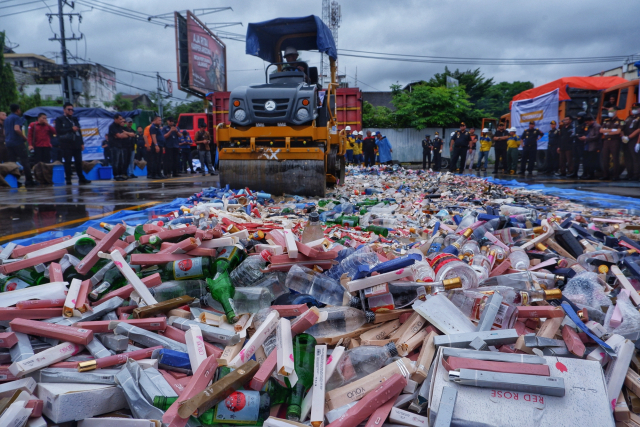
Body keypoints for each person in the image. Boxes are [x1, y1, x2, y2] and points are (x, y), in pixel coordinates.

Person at [55, 102, 90, 185]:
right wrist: (71, 129)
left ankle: (81, 178)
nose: (71, 111)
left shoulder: (74, 119)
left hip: (76, 143)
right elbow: (59, 131)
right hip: (66, 144)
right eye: (69, 109)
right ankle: (68, 179)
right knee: (67, 162)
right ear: (64, 110)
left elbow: (79, 131)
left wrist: (81, 143)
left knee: (78, 162)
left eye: (72, 109)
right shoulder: (60, 119)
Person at [4, 104, 36, 186]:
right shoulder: (16, 117)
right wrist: (24, 137)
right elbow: (17, 129)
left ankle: (14, 181)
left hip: (8, 143)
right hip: (17, 142)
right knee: (25, 161)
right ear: (17, 110)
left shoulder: (6, 119)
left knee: (12, 163)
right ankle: (29, 180)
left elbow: (4, 132)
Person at [600, 107, 624, 181]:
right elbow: (601, 130)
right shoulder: (606, 121)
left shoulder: (620, 121)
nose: (610, 112)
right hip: (606, 141)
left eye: (611, 111)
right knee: (605, 158)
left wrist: (607, 131)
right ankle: (605, 175)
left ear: (615, 111)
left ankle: (616, 175)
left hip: (615, 141)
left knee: (615, 158)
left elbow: (618, 131)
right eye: (609, 111)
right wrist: (611, 130)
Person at [108, 114, 134, 181]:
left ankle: (120, 174)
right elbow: (119, 136)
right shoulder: (112, 126)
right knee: (115, 162)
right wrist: (125, 135)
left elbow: (128, 134)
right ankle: (116, 175)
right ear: (115, 119)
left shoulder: (120, 127)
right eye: (120, 119)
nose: (121, 121)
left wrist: (125, 135)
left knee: (121, 161)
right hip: (114, 146)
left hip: (120, 146)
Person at [623, 103, 640, 181]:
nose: (634, 109)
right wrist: (623, 136)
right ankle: (629, 173)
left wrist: (629, 137)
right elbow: (622, 127)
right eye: (633, 108)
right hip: (626, 140)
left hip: (634, 139)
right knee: (627, 157)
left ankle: (636, 174)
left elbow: (638, 129)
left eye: (636, 108)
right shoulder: (629, 117)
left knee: (635, 158)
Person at [580, 115, 601, 180]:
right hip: (587, 145)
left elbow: (597, 136)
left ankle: (591, 175)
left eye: (587, 122)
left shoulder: (597, 126)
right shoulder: (588, 126)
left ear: (591, 121)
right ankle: (586, 173)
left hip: (593, 146)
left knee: (592, 161)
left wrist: (587, 138)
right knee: (586, 161)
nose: (587, 124)